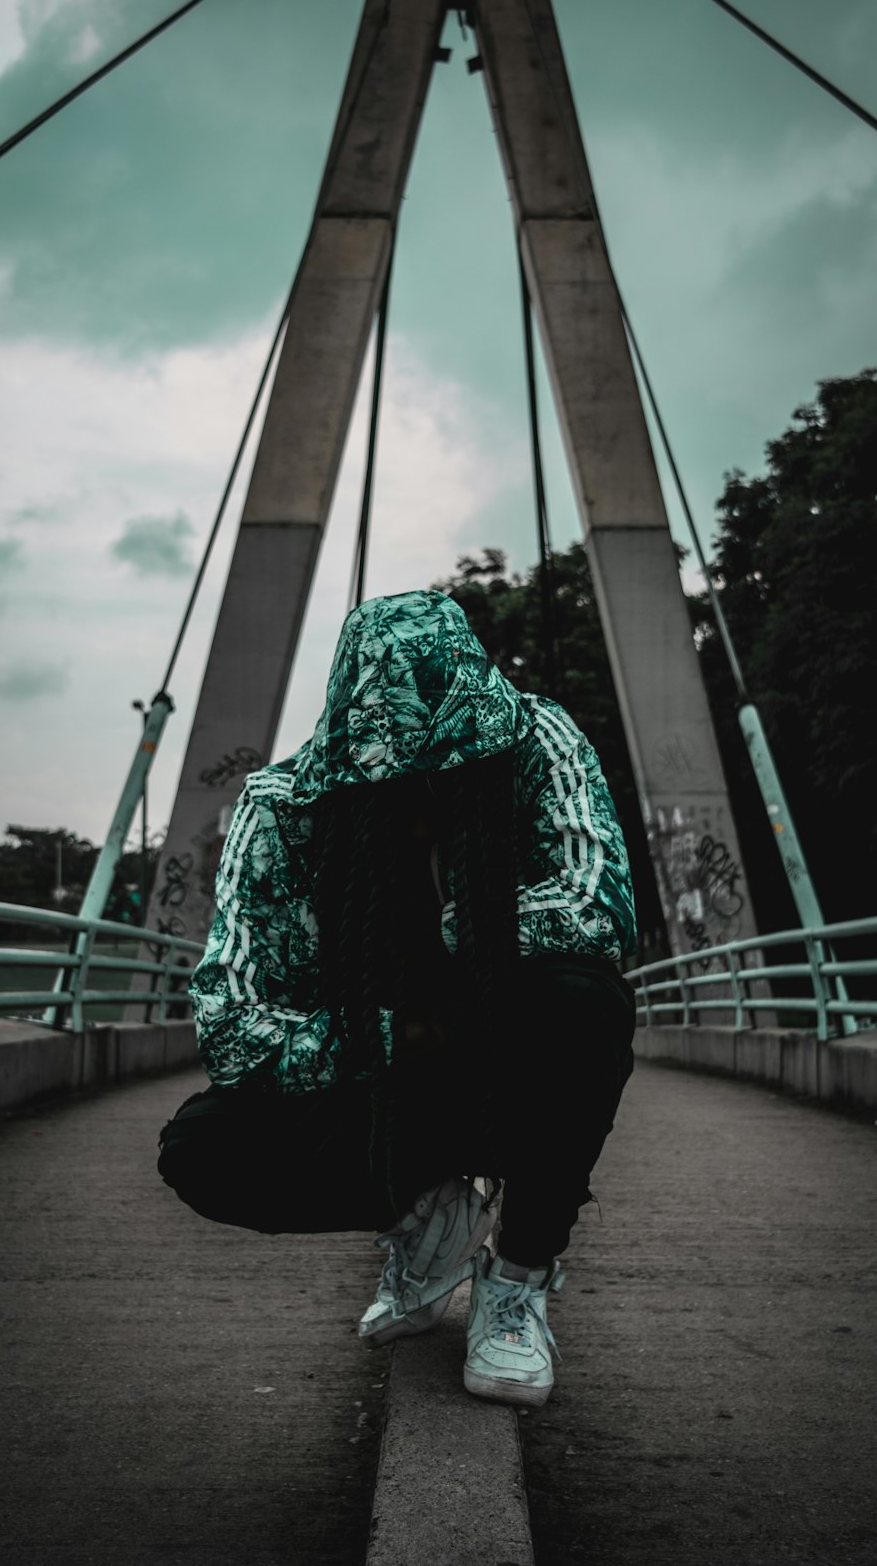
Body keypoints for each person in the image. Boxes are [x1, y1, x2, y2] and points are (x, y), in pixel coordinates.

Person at [158, 589, 636, 1406]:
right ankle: (426, 1213)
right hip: (379, 1073)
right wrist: (397, 1033)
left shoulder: (534, 738)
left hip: (495, 1053)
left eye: (450, 761)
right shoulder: (284, 806)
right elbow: (231, 1023)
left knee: (582, 998)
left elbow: (599, 910)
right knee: (201, 1148)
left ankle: (517, 1279)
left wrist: (459, 955)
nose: (423, 782)